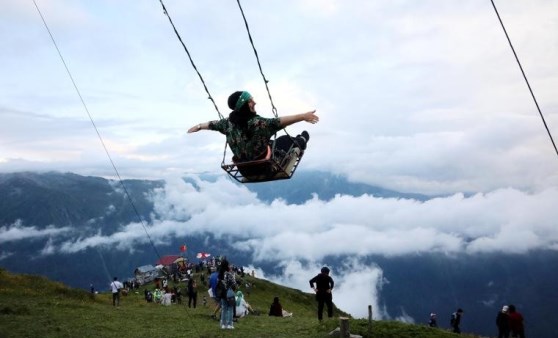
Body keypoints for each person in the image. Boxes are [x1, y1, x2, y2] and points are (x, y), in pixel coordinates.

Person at [187, 90, 319, 172]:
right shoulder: (259, 124)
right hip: (264, 167)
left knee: (274, 141)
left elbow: (211, 124)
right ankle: (302, 139)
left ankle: (299, 139)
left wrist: (198, 126)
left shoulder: (227, 123)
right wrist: (303, 116)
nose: (254, 102)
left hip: (245, 169)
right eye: (251, 101)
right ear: (245, 105)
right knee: (288, 142)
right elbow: (280, 121)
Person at [218, 259, 236, 330]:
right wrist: (231, 272)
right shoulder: (228, 274)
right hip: (229, 293)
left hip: (222, 293)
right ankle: (229, 324)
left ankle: (223, 324)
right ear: (226, 265)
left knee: (224, 309)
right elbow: (234, 284)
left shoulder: (220, 273)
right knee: (230, 308)